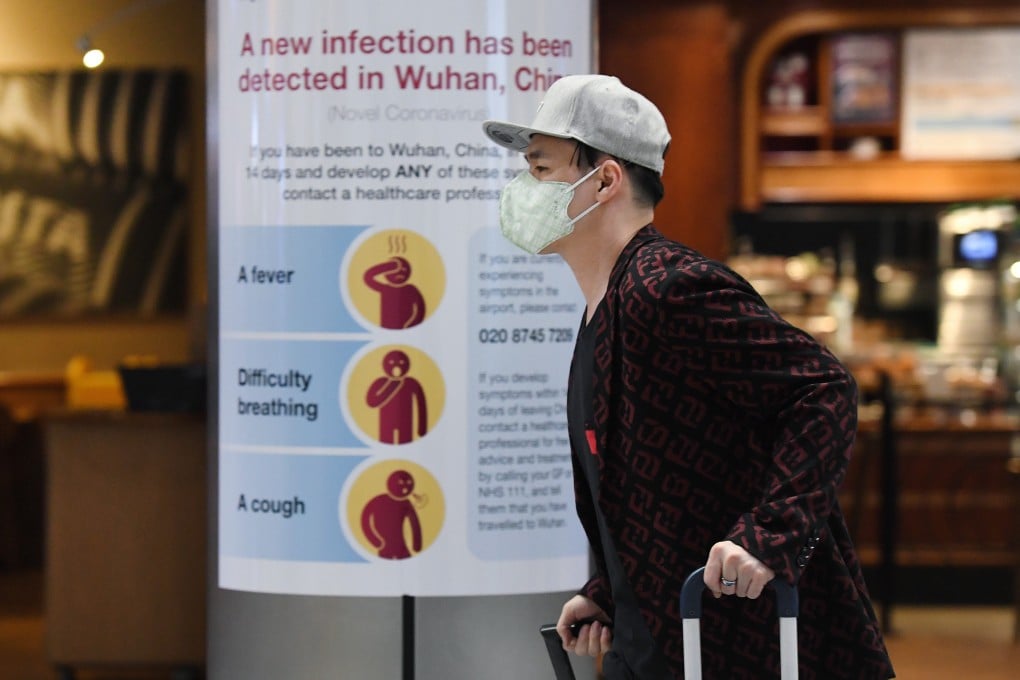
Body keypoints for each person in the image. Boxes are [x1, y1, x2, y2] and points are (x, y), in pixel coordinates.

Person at [482, 74, 894, 679]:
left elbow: (822, 389)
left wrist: (769, 536)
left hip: (737, 643)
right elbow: (648, 480)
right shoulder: (608, 304)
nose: (524, 187)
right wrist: (608, 590)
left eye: (541, 169)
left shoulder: (667, 287)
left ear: (605, 180)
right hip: (659, 635)